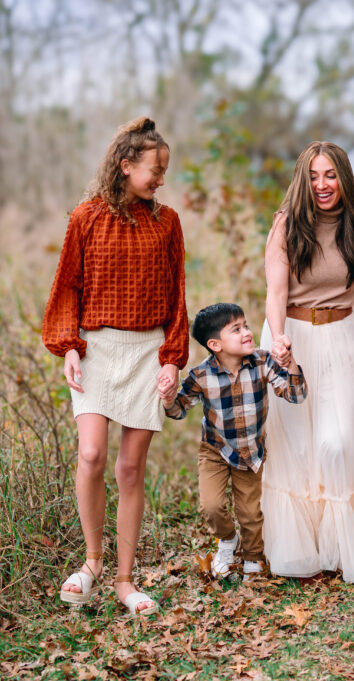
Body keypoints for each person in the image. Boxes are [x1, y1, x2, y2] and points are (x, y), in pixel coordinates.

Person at [42, 117, 187, 615]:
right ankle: (92, 562)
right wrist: (70, 347)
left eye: (164, 169)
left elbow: (177, 298)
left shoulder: (167, 223)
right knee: (91, 456)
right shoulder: (85, 217)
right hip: (96, 350)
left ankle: (125, 581)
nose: (161, 178)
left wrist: (171, 360)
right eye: (155, 169)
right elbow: (67, 288)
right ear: (126, 167)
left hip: (147, 352)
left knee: (130, 469)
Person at [261, 141, 354, 582]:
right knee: (296, 447)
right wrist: (277, 339)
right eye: (313, 176)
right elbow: (276, 293)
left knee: (336, 442)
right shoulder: (286, 225)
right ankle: (301, 549)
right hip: (292, 338)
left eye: (330, 175)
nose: (321, 185)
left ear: (344, 178)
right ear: (303, 180)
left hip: (341, 338)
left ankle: (340, 545)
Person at [163, 303, 307, 580]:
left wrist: (290, 364)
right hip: (215, 450)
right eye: (236, 329)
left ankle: (253, 557)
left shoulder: (262, 362)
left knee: (250, 512)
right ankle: (228, 540)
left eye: (246, 326)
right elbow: (178, 410)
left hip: (251, 451)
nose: (247, 333)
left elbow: (296, 395)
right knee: (211, 506)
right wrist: (168, 398)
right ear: (215, 344)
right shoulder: (200, 376)